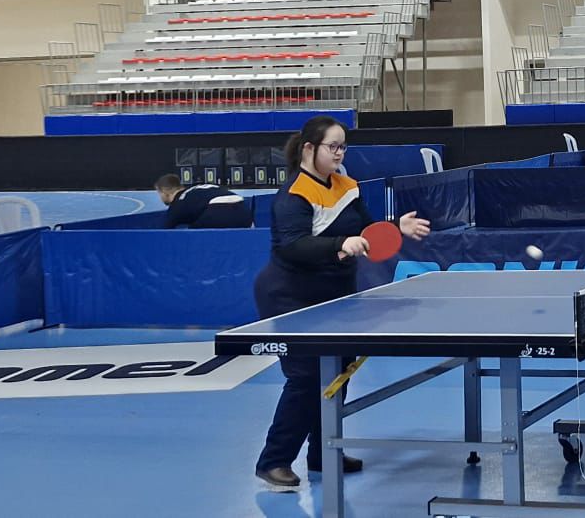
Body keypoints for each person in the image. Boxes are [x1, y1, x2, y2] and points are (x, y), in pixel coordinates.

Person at [253, 116, 432, 492]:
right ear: (309, 149)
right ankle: (274, 462)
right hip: (291, 295)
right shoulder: (294, 194)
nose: (339, 153)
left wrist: (394, 227)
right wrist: (339, 244)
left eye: (343, 147)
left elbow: (366, 231)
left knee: (338, 371)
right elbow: (293, 245)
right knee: (305, 378)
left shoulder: (347, 186)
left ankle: (323, 452)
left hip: (335, 293)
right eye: (332, 146)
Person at [156, 174, 252, 229]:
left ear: (164, 192)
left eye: (159, 193)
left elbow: (163, 232)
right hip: (243, 208)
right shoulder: (197, 190)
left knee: (191, 237)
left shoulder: (178, 202)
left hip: (218, 208)